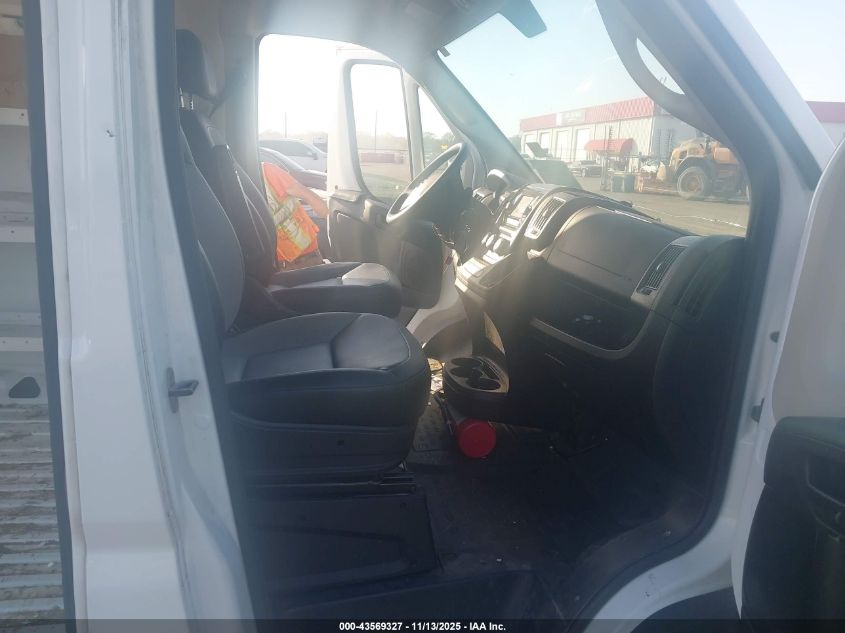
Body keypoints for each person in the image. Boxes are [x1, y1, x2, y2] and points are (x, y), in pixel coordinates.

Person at [261, 161, 331, 270]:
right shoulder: (267, 171)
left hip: (274, 262)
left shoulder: (233, 187)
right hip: (303, 257)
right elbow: (313, 200)